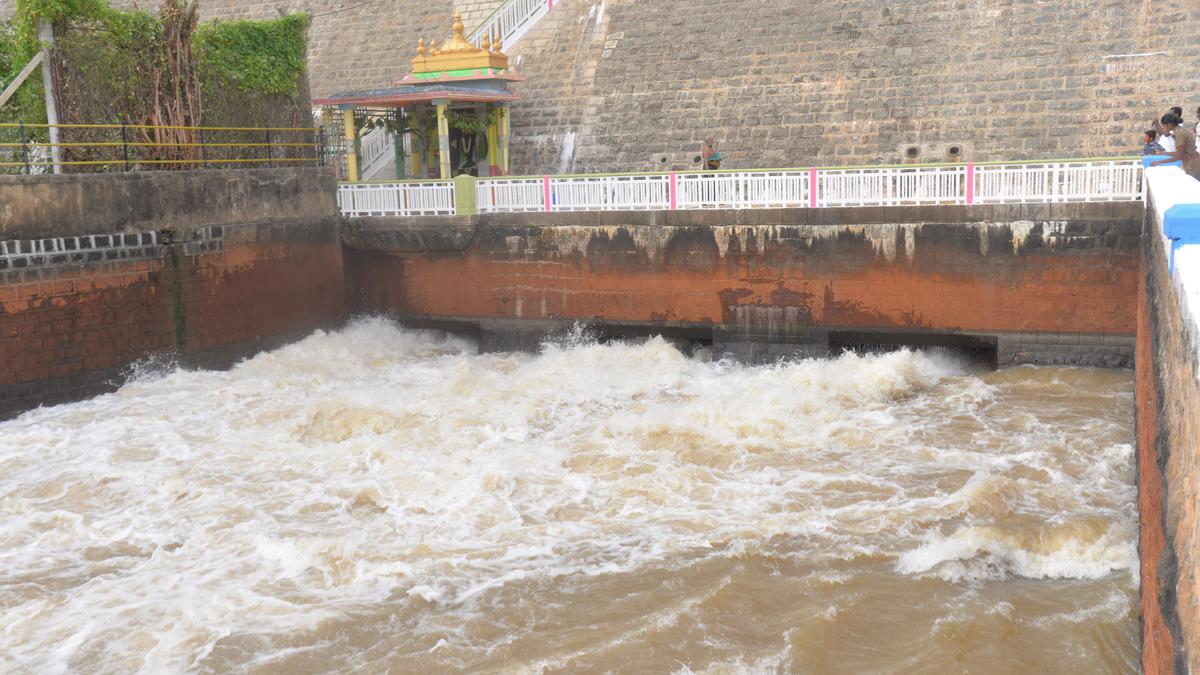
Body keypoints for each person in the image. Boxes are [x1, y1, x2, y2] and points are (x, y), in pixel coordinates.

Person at [1150, 113, 1200, 180]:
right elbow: (1180, 153)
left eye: (1164, 126)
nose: (1163, 128)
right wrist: (1162, 153)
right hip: (1191, 163)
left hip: (1193, 165)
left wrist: (1158, 162)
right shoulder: (1179, 131)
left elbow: (1179, 156)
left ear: (1169, 124)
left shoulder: (1180, 133)